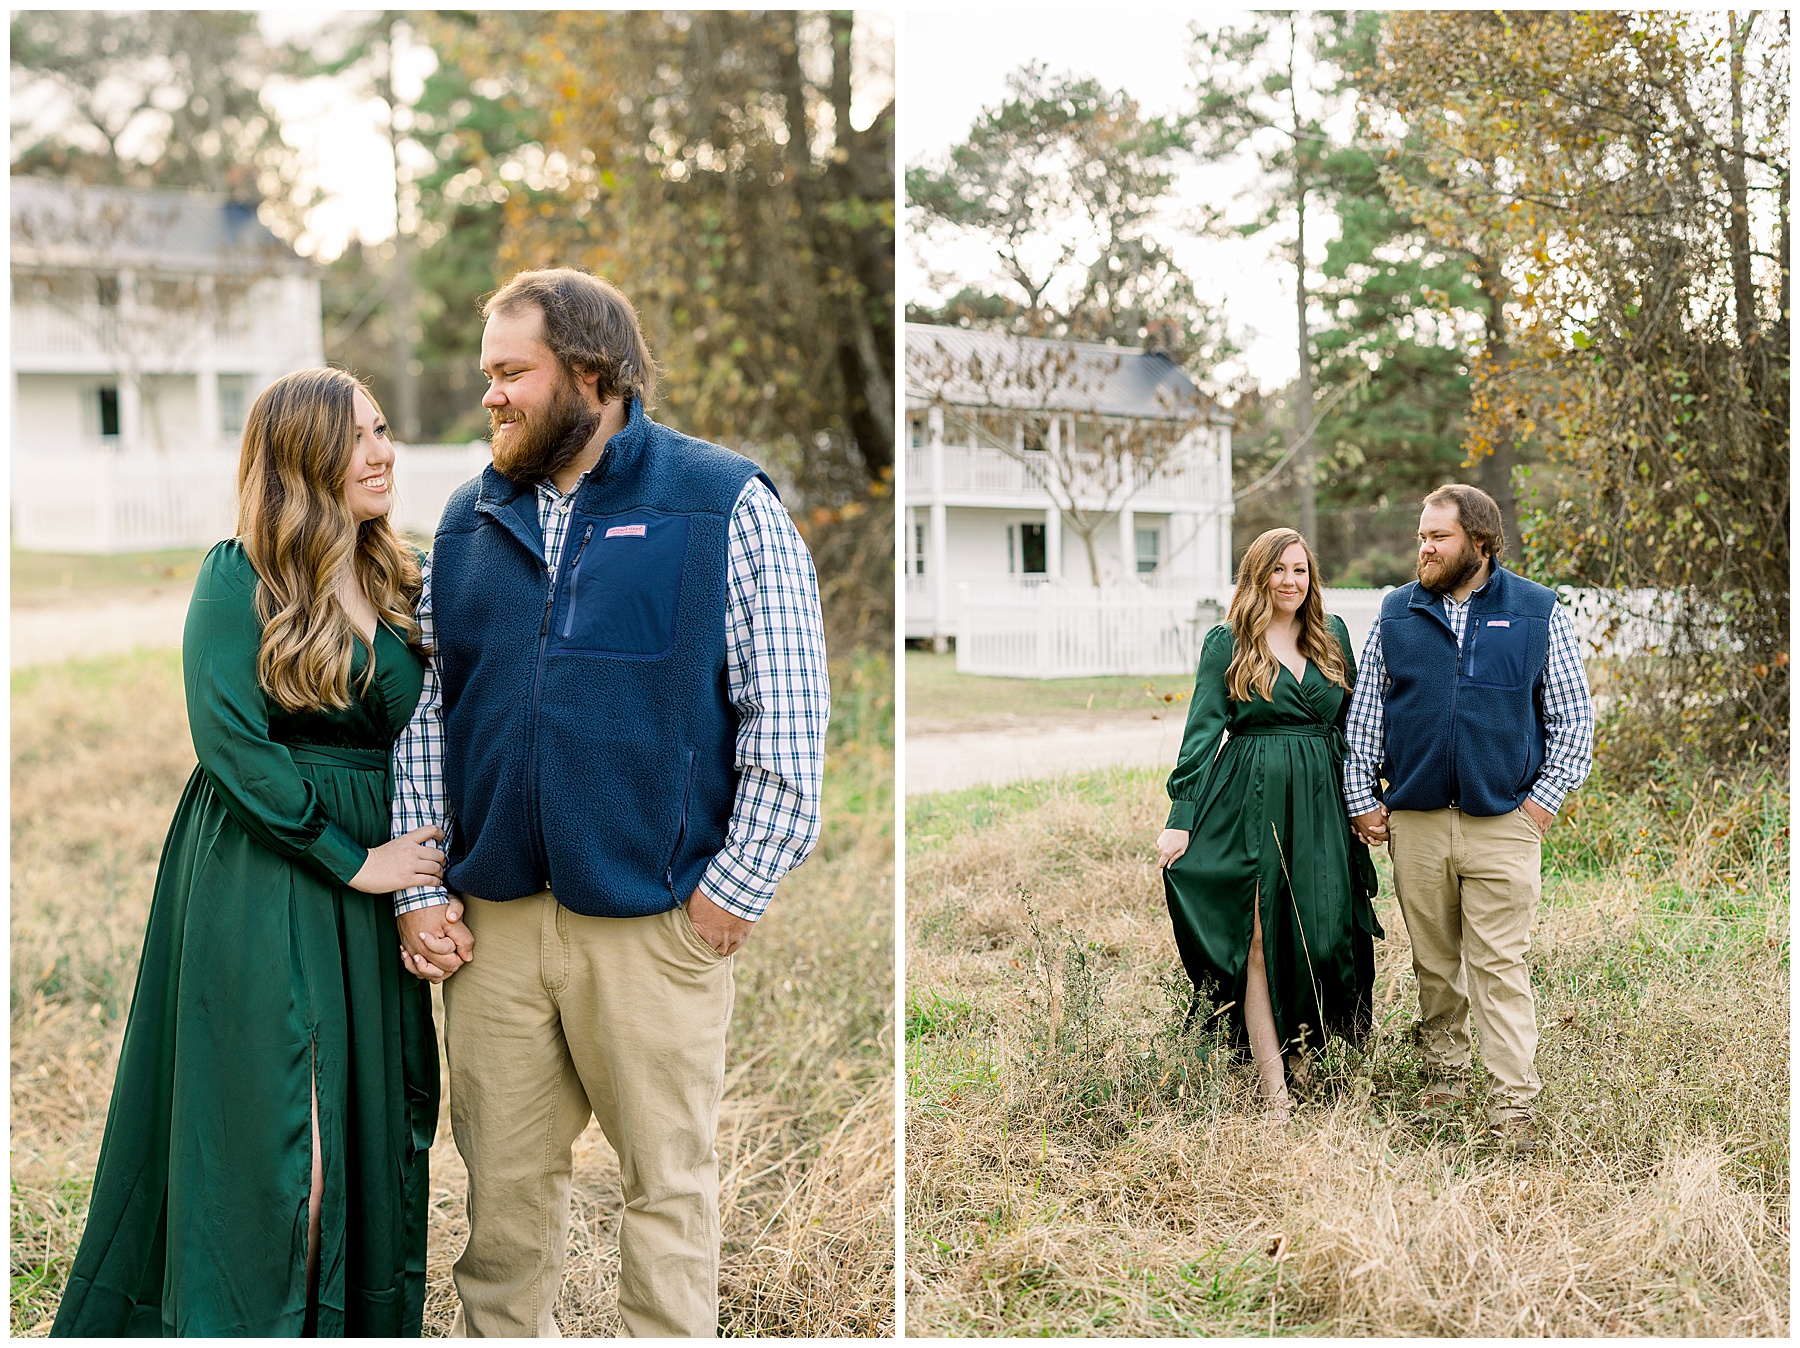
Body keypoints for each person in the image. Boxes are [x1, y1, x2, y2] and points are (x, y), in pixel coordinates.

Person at [387, 267, 831, 1337]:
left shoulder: (721, 503)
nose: (488, 395)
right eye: (489, 373)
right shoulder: (467, 517)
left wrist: (732, 891)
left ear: (592, 375)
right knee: (502, 1204)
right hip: (492, 929)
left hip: (654, 926)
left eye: (511, 373)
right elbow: (430, 713)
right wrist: (421, 888)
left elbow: (790, 716)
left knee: (668, 1194)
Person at [51, 368, 461, 1337]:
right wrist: (352, 857)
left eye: (386, 429)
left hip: (380, 878)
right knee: (284, 1138)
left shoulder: (405, 573)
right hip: (266, 869)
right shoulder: (240, 573)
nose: (384, 451)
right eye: (357, 436)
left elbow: (440, 728)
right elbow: (230, 739)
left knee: (371, 1115)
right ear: (302, 458)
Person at [1343, 483, 1594, 1153]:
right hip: (1417, 822)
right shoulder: (1398, 613)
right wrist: (1363, 798)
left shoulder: (1539, 611)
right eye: (1422, 536)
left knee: (1499, 965)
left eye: (1438, 537)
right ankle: (1444, 1083)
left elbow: (1572, 721)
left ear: (1479, 544)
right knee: (1435, 963)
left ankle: (1514, 1107)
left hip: (1503, 821)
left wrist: (1538, 807)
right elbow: (1368, 712)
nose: (1423, 547)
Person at [1157, 528, 1382, 1124]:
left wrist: (1369, 797)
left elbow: (1358, 728)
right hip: (1252, 797)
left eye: (1300, 571)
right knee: (1258, 937)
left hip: (1323, 799)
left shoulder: (1333, 638)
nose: (1290, 581)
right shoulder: (1227, 643)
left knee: (1321, 932)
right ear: (1257, 577)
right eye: (1278, 570)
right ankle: (1274, 1093)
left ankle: (1308, 1059)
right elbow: (1201, 734)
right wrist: (1181, 819)